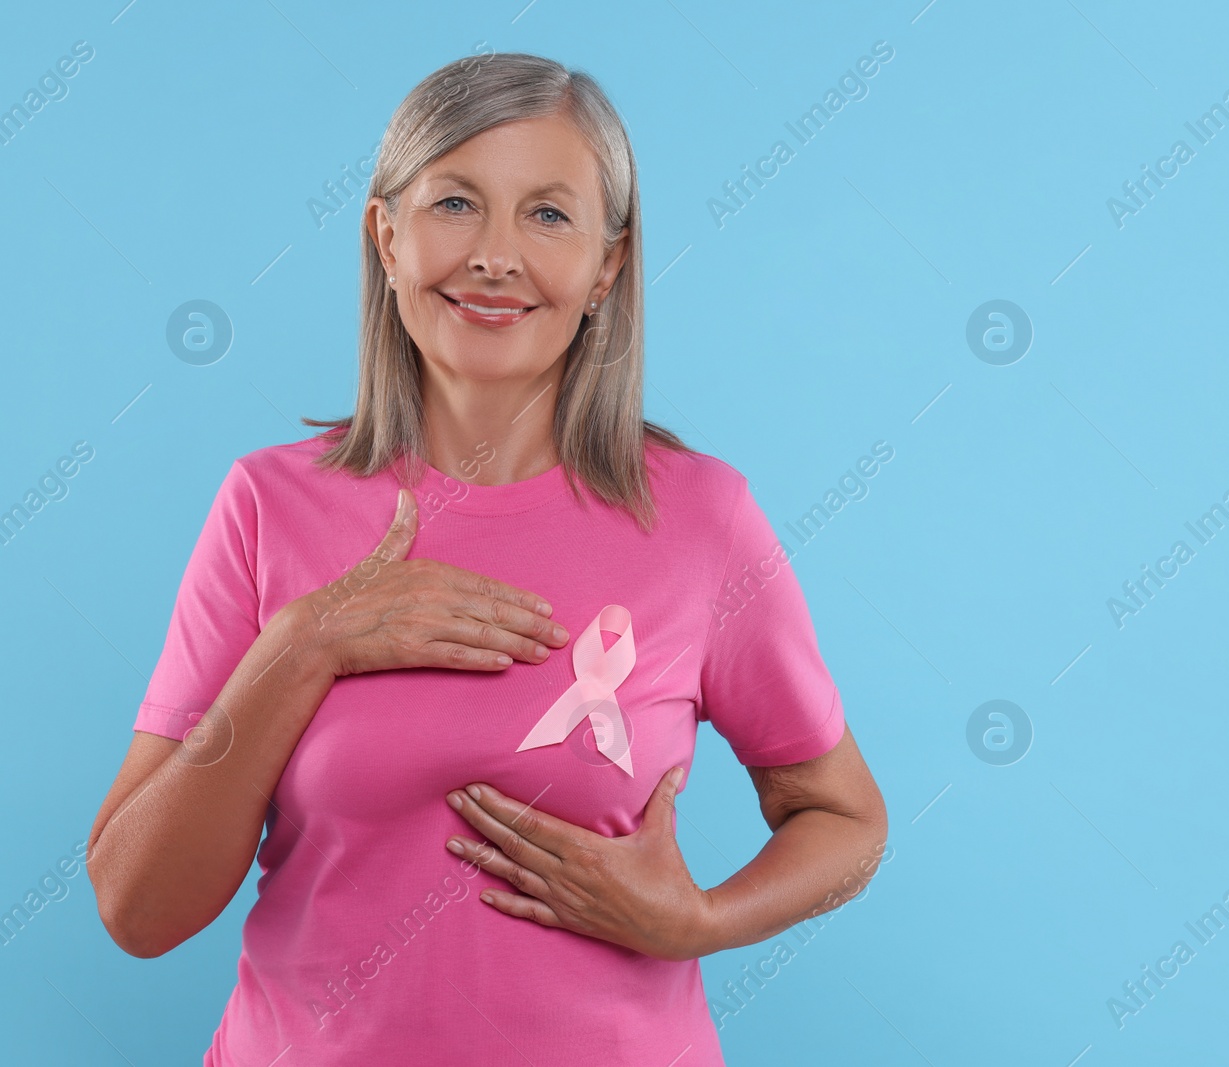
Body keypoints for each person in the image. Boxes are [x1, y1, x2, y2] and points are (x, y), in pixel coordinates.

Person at [85, 51, 887, 1066]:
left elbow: (845, 817)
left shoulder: (699, 517)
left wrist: (699, 919)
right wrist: (304, 643)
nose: (495, 256)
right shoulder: (266, 505)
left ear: (608, 266)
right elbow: (136, 905)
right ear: (385, 236)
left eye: (548, 215)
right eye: (455, 203)